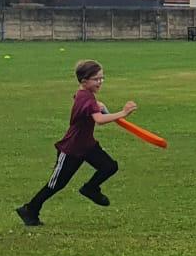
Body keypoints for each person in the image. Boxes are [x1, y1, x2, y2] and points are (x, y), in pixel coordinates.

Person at [15, 59, 138, 226]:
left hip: (87, 146)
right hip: (72, 149)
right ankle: (29, 209)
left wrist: (97, 104)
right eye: (96, 79)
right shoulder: (86, 97)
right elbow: (99, 120)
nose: (100, 82)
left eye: (102, 78)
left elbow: (83, 102)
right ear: (84, 81)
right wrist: (123, 113)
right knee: (56, 184)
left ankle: (90, 188)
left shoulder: (84, 94)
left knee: (109, 166)